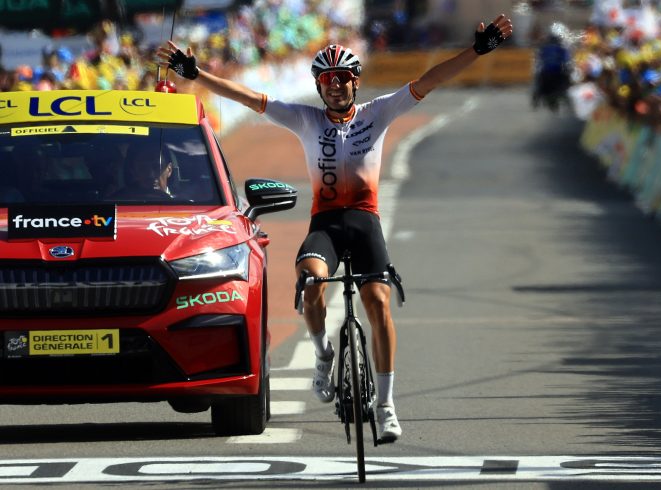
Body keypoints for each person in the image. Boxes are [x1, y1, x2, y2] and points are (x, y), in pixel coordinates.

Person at [159, 13, 512, 442]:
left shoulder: (378, 113)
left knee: (379, 303)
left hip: (365, 223)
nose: (336, 84)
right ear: (319, 86)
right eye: (327, 79)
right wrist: (197, 75)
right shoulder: (306, 120)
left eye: (343, 77)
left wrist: (476, 50)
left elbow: (430, 79)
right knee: (310, 283)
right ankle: (324, 354)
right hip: (325, 224)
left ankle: (385, 405)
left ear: (355, 82)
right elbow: (251, 99)